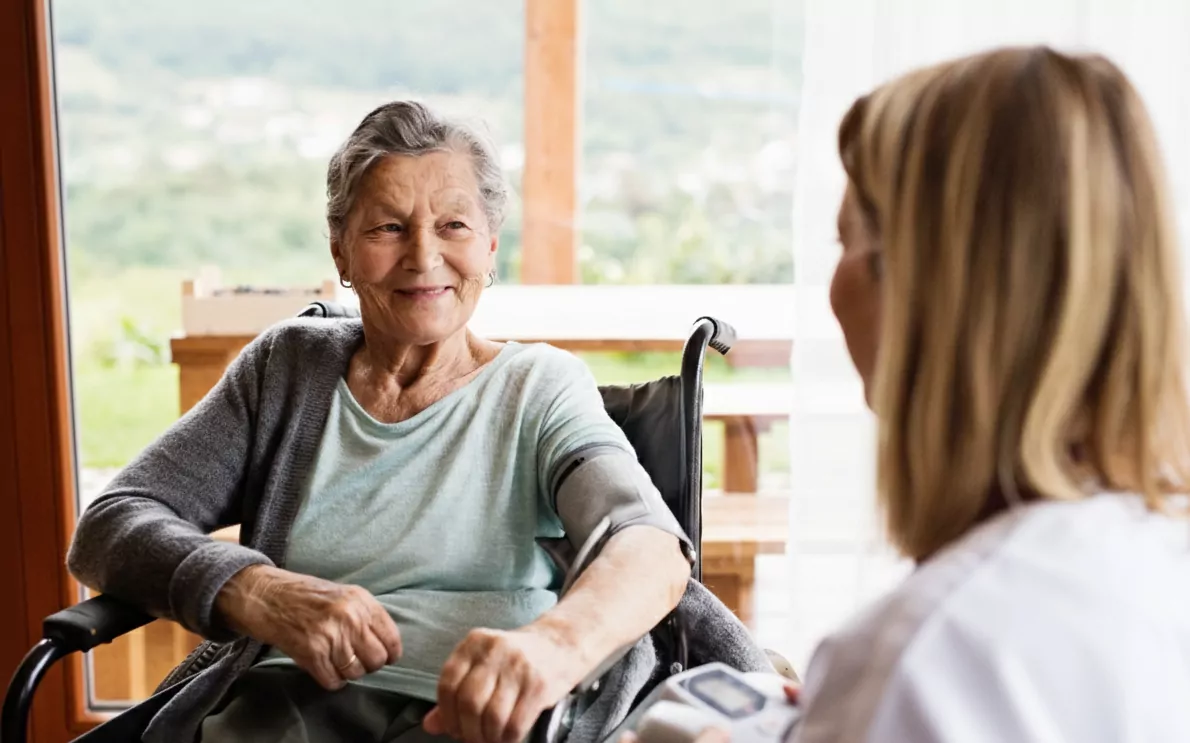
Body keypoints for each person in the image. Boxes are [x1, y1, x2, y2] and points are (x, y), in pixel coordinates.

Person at [66, 101, 693, 743]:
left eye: (453, 225)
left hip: (476, 718)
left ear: (490, 248)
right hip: (284, 711)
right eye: (387, 228)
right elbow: (113, 522)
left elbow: (647, 545)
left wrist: (554, 647)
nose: (423, 256)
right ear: (340, 252)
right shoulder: (286, 371)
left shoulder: (538, 386)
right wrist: (257, 592)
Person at [665, 46, 1190, 743]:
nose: (832, 286)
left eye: (841, 240)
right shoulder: (1154, 553)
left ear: (920, 287)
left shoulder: (930, 653)